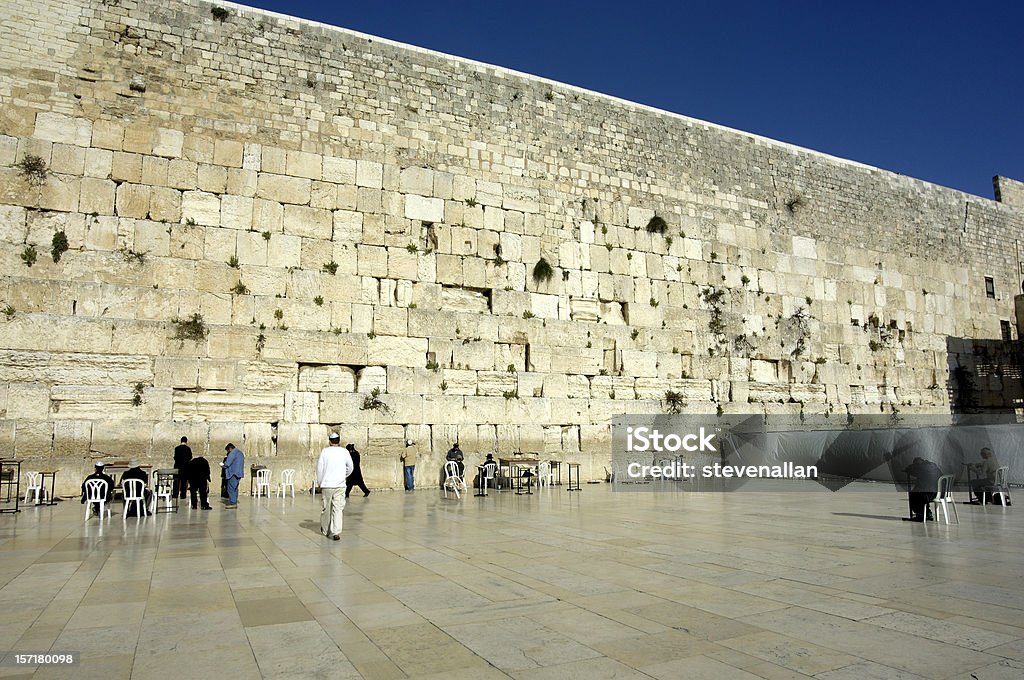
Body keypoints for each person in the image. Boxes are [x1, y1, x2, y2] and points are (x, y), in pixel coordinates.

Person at [316, 432, 354, 540]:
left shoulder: (325, 452)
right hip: (340, 485)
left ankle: (325, 530)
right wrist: (344, 475)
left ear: (330, 441)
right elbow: (350, 467)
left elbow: (320, 469)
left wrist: (320, 482)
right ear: (339, 441)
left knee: (326, 508)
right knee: (338, 508)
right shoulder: (344, 452)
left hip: (327, 484)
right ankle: (336, 531)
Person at [902, 457, 942, 522]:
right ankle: (927, 513)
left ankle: (920, 515)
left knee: (914, 494)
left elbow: (910, 469)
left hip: (930, 494)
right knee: (920, 490)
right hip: (939, 493)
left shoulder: (921, 468)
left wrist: (911, 467)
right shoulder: (933, 466)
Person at [223, 443, 245, 508]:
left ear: (230, 449)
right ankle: (234, 501)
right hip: (239, 473)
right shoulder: (240, 453)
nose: (228, 452)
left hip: (233, 473)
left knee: (230, 488)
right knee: (235, 488)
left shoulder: (233, 453)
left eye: (227, 451)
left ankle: (233, 503)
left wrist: (223, 465)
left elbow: (227, 463)